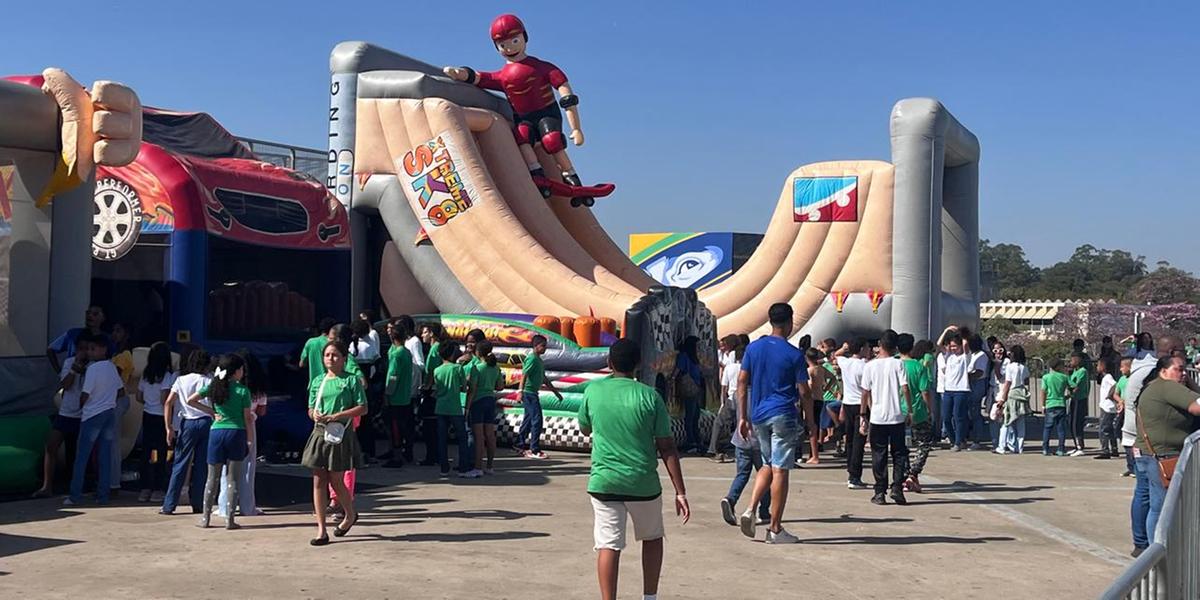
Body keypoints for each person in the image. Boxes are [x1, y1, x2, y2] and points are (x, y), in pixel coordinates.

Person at [577, 338, 689, 600]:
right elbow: (667, 447)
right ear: (639, 365)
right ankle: (649, 596)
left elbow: (584, 427)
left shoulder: (593, 391)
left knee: (608, 545)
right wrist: (680, 492)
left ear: (609, 363)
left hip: (604, 482)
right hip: (643, 482)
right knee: (652, 538)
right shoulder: (651, 397)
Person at [442, 13, 588, 196]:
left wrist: (576, 128)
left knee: (552, 141)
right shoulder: (503, 76)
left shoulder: (541, 67)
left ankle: (570, 174)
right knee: (522, 137)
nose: (509, 47)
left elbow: (564, 90)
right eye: (502, 44)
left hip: (546, 113)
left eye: (514, 41)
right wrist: (460, 73)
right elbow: (481, 78)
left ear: (524, 38)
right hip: (524, 118)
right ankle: (536, 172)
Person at [736, 303, 812, 544]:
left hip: (758, 414)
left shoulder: (753, 348)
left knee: (767, 464)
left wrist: (742, 416)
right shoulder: (793, 354)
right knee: (781, 470)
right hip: (782, 414)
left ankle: (750, 508)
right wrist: (810, 421)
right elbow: (804, 391)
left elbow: (741, 381)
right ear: (789, 323)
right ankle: (775, 529)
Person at [1130, 355, 1200, 555]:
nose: (1184, 373)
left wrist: (1189, 382)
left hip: (1146, 452)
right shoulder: (1168, 387)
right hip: (1162, 456)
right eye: (1179, 369)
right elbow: (1197, 406)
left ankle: (1142, 544)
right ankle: (1157, 553)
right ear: (1163, 371)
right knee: (1160, 507)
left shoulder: (1152, 387)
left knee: (1146, 500)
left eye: (1185, 369)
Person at [302, 341, 367, 546]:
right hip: (320, 432)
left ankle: (350, 513)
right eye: (328, 355)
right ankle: (321, 530)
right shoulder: (318, 381)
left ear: (344, 359)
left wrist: (338, 415)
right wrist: (315, 415)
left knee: (336, 480)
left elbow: (362, 407)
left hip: (340, 433)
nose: (331, 358)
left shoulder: (351, 380)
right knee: (318, 480)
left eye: (335, 355)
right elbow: (311, 408)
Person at [186, 354, 254, 530]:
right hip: (236, 433)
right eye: (241, 370)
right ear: (236, 371)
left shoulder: (213, 387)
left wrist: (210, 411)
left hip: (216, 432)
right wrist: (250, 440)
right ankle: (230, 520)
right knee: (233, 479)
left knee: (212, 478)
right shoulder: (242, 391)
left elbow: (190, 400)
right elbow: (247, 418)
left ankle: (205, 519)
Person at [65, 333, 122, 506]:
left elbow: (85, 394)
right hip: (109, 413)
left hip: (92, 415)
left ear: (103, 349)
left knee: (82, 456)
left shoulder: (93, 369)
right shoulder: (112, 367)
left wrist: (82, 405)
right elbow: (121, 391)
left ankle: (75, 495)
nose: (89, 352)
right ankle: (102, 495)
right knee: (104, 456)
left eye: (93, 349)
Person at [719, 340, 771, 527]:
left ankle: (730, 499)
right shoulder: (762, 394)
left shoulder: (739, 395)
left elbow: (733, 410)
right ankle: (764, 511)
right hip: (759, 440)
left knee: (742, 474)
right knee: (765, 475)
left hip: (741, 439)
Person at [33, 341, 89, 498]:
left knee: (77, 452)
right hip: (66, 412)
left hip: (84, 414)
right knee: (51, 445)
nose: (83, 353)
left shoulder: (94, 366)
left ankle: (78, 486)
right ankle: (47, 486)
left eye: (86, 349)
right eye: (80, 349)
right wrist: (75, 369)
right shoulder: (69, 362)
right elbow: (65, 384)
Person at [161, 349, 213, 515]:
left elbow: (168, 403)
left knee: (180, 464)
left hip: (187, 424)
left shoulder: (181, 380)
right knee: (201, 466)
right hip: (207, 422)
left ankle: (169, 505)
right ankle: (198, 504)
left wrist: (169, 427)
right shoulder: (210, 381)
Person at [861, 331, 910, 505]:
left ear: (880, 345)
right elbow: (905, 388)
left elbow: (865, 392)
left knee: (879, 454)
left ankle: (880, 491)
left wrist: (863, 415)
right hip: (896, 415)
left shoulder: (870, 366)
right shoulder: (898, 364)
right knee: (899, 453)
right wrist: (909, 410)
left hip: (878, 417)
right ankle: (897, 487)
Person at [218, 350, 267, 518]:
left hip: (227, 425)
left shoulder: (226, 388)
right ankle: (248, 507)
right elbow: (261, 411)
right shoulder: (257, 390)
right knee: (247, 469)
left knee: (227, 469)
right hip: (249, 427)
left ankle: (224, 507)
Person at [136, 342, 174, 503]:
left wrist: (148, 402)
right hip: (161, 416)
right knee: (162, 452)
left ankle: (145, 488)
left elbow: (138, 396)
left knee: (146, 452)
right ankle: (158, 489)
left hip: (147, 415)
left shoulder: (146, 374)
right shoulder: (167, 376)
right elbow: (164, 399)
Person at [516, 334, 563, 459]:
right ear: (536, 346)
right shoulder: (531, 359)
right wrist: (520, 391)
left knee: (528, 419)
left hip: (533, 393)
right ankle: (534, 449)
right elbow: (524, 375)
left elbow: (544, 379)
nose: (545, 349)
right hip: (529, 393)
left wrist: (556, 392)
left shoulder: (539, 361)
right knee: (537, 420)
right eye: (543, 346)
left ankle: (519, 444)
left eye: (545, 346)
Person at [899, 334, 934, 492]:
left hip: (897, 410)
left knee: (901, 446)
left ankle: (905, 474)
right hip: (917, 410)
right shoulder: (919, 367)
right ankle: (912, 473)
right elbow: (924, 391)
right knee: (923, 444)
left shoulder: (894, 365)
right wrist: (929, 409)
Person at [432, 342, 471, 478]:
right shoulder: (457, 368)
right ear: (452, 354)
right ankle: (463, 467)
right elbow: (464, 387)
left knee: (442, 439)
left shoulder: (436, 370)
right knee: (462, 438)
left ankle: (444, 467)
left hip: (440, 407)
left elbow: (437, 387)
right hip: (454, 407)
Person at [836, 338, 869, 488]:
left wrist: (844, 348)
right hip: (860, 405)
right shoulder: (865, 366)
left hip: (848, 403)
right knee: (859, 442)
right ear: (862, 348)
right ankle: (855, 476)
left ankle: (850, 470)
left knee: (849, 440)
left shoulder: (845, 362)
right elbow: (867, 390)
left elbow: (835, 355)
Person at [467, 341, 503, 477]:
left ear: (478, 352)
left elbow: (472, 390)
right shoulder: (495, 368)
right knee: (490, 435)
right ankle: (490, 466)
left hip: (478, 402)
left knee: (479, 437)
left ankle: (477, 467)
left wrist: (467, 407)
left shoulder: (477, 368)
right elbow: (500, 386)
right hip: (490, 401)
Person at [383, 323, 415, 468]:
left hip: (395, 397)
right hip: (405, 396)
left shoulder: (396, 355)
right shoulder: (406, 352)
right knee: (405, 427)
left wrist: (387, 393)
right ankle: (407, 453)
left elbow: (392, 376)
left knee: (395, 427)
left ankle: (397, 457)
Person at [45, 305, 109, 373]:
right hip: (71, 375)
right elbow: (50, 349)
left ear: (103, 318)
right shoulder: (72, 333)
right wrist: (59, 371)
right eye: (88, 313)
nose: (90, 316)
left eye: (95, 314)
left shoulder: (107, 338)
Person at [708, 335, 741, 461]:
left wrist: (722, 402)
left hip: (731, 398)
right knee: (741, 422)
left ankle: (712, 447)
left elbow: (724, 387)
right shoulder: (746, 367)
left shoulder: (729, 368)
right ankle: (740, 449)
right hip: (744, 397)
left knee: (719, 422)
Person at [938, 329, 972, 451]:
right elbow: (939, 344)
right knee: (946, 417)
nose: (953, 348)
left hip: (961, 390)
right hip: (948, 390)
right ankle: (953, 440)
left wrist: (959, 333)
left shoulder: (965, 357)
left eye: (955, 346)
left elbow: (965, 344)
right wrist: (947, 330)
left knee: (958, 416)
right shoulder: (949, 356)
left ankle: (958, 442)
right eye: (951, 346)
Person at [996, 345, 1031, 454]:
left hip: (1012, 393)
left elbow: (1007, 383)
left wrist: (1002, 398)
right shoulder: (1024, 367)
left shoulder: (1010, 367)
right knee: (1021, 423)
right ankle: (1019, 447)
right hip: (1021, 393)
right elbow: (1026, 382)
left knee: (1007, 421)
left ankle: (1001, 447)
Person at [673, 336, 705, 454]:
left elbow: (678, 370)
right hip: (694, 388)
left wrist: (671, 378)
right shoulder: (690, 357)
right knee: (693, 416)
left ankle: (693, 440)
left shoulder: (686, 356)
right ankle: (693, 440)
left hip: (690, 388)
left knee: (692, 416)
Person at [1041, 358, 1070, 456]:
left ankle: (1045, 448)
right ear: (1058, 367)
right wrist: (1068, 396)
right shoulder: (1064, 377)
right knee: (1061, 428)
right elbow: (1073, 387)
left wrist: (1043, 405)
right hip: (1061, 403)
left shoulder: (1046, 377)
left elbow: (1043, 391)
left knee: (1047, 427)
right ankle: (1061, 449)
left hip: (1050, 404)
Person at [804, 348, 828, 465]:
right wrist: (825, 387)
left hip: (812, 399)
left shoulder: (810, 370)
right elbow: (832, 378)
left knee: (811, 427)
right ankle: (813, 452)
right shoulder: (821, 369)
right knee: (816, 425)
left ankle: (814, 455)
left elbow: (809, 385)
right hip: (820, 398)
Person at [965, 335, 989, 451]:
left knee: (975, 413)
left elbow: (979, 372)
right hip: (972, 384)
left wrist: (966, 376)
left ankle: (977, 439)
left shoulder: (981, 356)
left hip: (977, 383)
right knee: (970, 412)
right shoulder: (972, 355)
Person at [299, 317, 338, 386]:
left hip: (313, 385)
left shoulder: (310, 342)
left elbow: (301, 364)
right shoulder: (333, 343)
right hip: (330, 384)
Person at [1066, 352, 1091, 456]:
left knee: (1077, 423)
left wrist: (1067, 377)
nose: (1070, 363)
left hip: (1080, 400)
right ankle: (1076, 445)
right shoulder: (1074, 372)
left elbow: (1075, 385)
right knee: (1071, 422)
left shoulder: (1082, 372)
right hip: (1074, 399)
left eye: (1072, 360)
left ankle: (1080, 446)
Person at [1096, 357, 1121, 459]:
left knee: (1103, 429)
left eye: (1098, 365)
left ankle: (1105, 450)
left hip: (1106, 407)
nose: (1097, 367)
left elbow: (1115, 384)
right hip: (1108, 406)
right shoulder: (1105, 377)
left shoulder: (1108, 377)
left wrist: (1110, 395)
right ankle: (1114, 449)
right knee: (1110, 429)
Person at [987, 340, 1009, 449]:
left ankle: (1002, 444)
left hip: (1001, 392)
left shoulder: (1006, 362)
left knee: (1001, 418)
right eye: (995, 351)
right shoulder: (991, 362)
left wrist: (997, 365)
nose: (998, 353)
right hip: (992, 391)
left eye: (1000, 350)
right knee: (992, 418)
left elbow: (1001, 377)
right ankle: (995, 442)